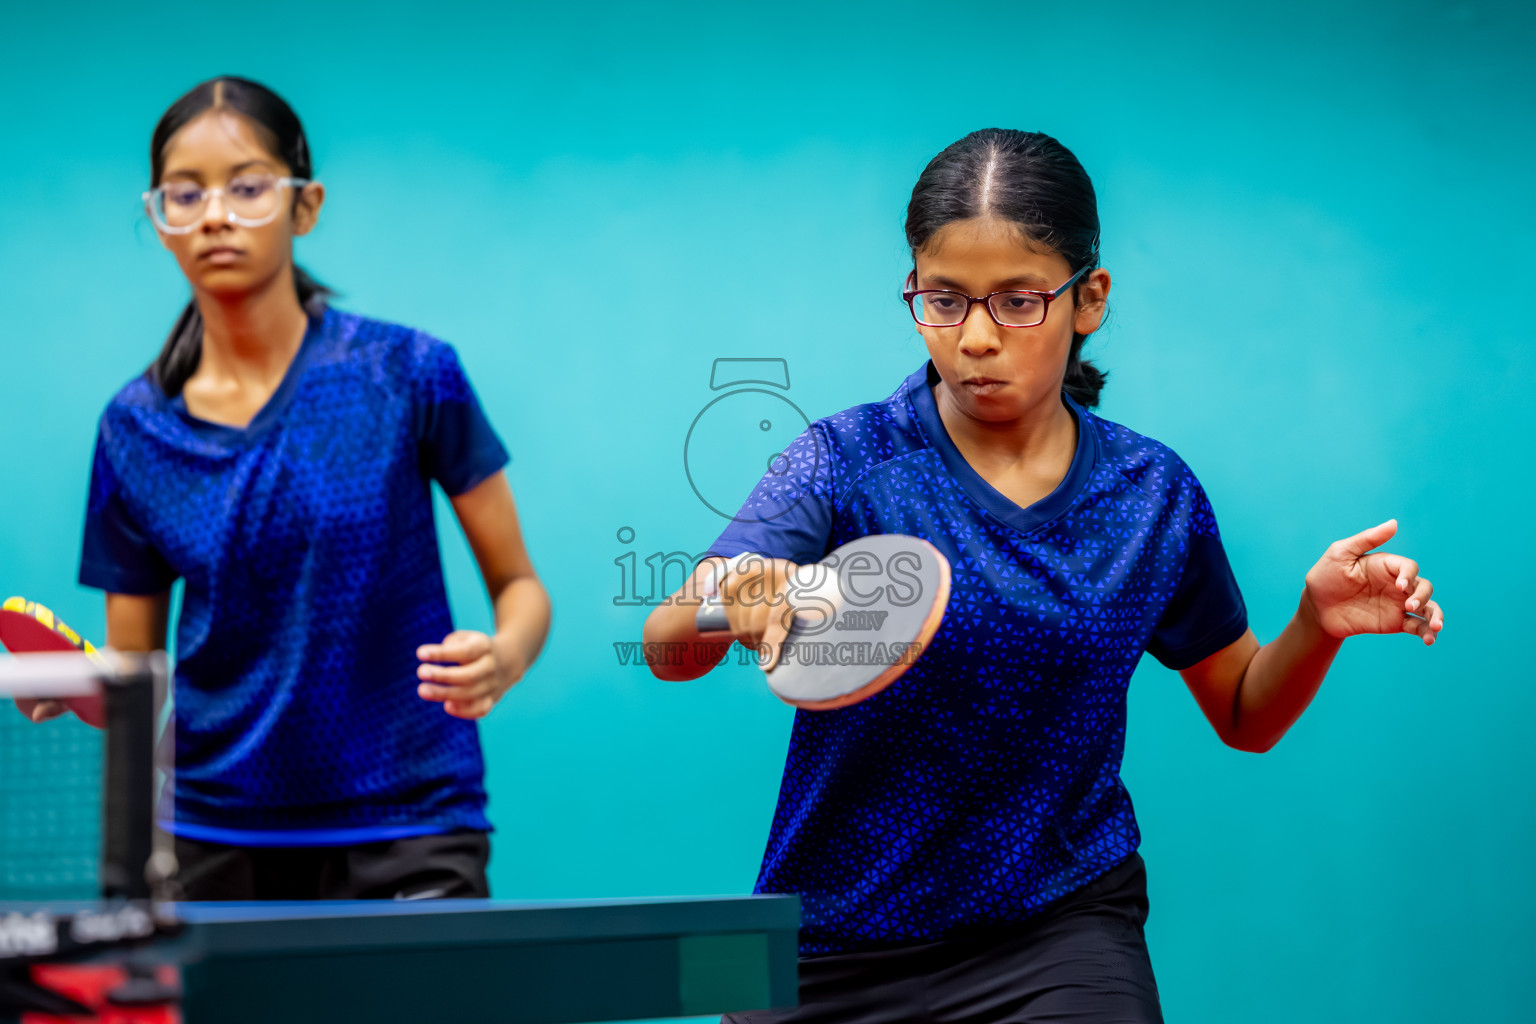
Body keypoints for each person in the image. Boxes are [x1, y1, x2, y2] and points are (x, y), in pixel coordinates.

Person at [643, 129, 1443, 1022]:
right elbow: (668, 647)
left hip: (1057, 928)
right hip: (833, 940)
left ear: (1088, 298)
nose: (977, 338)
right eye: (943, 301)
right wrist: (729, 599)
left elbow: (1247, 715)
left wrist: (1315, 623)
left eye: (1017, 301)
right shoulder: (845, 458)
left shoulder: (1152, 496)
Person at [22, 76, 551, 901]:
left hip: (409, 825)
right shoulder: (134, 428)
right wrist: (82, 690)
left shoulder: (409, 374)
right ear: (159, 221)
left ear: (305, 207)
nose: (216, 214)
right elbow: (137, 670)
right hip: (207, 835)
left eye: (248, 186)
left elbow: (519, 588)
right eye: (185, 194)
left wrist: (506, 655)